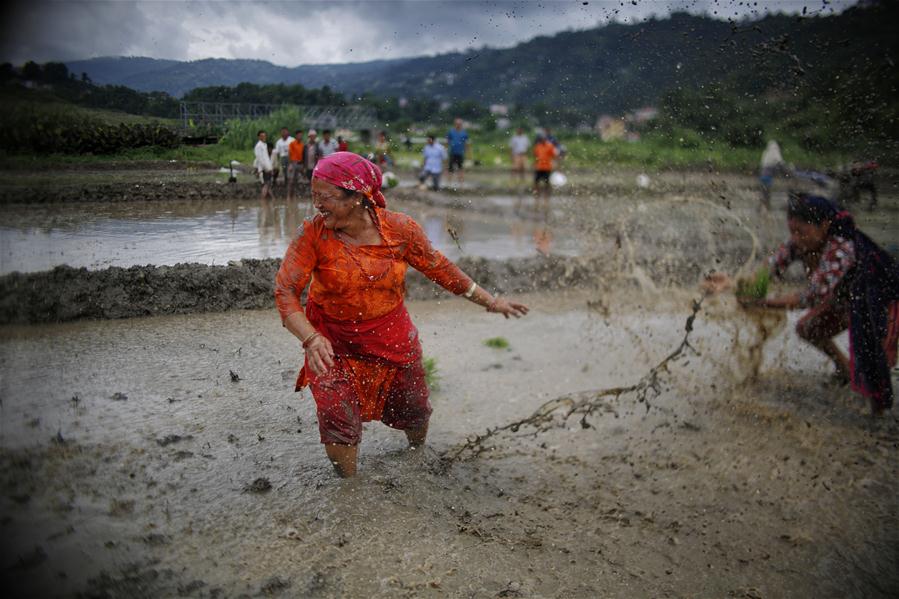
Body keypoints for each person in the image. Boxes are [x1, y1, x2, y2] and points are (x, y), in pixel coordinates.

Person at [274, 152, 530, 476]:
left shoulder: (400, 230)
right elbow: (285, 293)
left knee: (414, 409)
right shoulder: (312, 234)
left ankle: (416, 456)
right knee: (336, 415)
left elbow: (440, 268)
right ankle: (350, 491)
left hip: (392, 338)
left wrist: (491, 301)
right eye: (314, 198)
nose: (318, 206)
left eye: (325, 198)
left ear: (357, 197)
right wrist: (310, 339)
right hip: (331, 342)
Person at [705, 193, 899, 416]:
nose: (796, 238)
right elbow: (766, 273)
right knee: (808, 328)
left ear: (825, 226)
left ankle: (877, 420)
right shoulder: (797, 243)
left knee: (873, 359)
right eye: (792, 231)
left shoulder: (841, 248)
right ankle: (845, 370)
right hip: (848, 300)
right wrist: (732, 283)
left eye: (802, 232)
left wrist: (764, 304)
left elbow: (810, 297)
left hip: (883, 301)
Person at [533, 134, 558, 218]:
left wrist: (555, 165)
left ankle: (546, 201)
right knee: (536, 184)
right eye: (541, 139)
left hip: (547, 168)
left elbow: (554, 156)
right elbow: (536, 156)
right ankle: (537, 200)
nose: (542, 140)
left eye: (543, 139)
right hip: (539, 167)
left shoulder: (550, 146)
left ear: (546, 139)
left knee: (547, 185)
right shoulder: (538, 146)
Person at [759, 140, 786, 210]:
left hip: (762, 176)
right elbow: (780, 162)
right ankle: (767, 208)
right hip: (768, 177)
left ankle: (762, 207)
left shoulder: (766, 152)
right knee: (767, 194)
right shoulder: (775, 152)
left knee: (763, 193)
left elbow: (762, 165)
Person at [446, 118, 470, 185]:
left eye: (459, 124)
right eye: (457, 124)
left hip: (460, 153)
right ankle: (449, 183)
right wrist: (446, 150)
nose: (458, 125)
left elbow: (466, 143)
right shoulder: (451, 132)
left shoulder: (464, 133)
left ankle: (461, 183)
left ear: (461, 124)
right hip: (452, 152)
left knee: (461, 168)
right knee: (450, 168)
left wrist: (467, 152)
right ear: (455, 124)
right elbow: (447, 141)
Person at [253, 130, 273, 200]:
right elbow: (260, 159)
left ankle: (271, 200)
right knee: (266, 185)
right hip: (265, 168)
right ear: (259, 137)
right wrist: (267, 169)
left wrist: (270, 168)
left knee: (268, 185)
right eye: (262, 136)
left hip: (267, 167)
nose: (264, 137)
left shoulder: (264, 145)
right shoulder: (258, 146)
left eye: (264, 136)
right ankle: (263, 200)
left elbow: (266, 158)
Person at [287, 129, 304, 201]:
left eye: (301, 135)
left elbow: (303, 155)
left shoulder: (303, 144)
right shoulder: (292, 143)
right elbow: (289, 154)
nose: (300, 136)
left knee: (296, 181)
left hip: (300, 163)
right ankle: (288, 196)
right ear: (296, 136)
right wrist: (290, 164)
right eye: (299, 135)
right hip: (293, 163)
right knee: (291, 181)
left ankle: (294, 195)